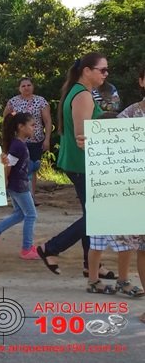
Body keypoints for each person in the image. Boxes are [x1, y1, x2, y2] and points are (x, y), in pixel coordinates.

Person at [37, 53, 116, 279]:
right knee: (97, 216)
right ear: (87, 71)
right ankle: (51, 248)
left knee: (90, 213)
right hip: (83, 164)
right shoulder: (83, 96)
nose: (106, 74)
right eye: (102, 70)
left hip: (80, 163)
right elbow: (84, 137)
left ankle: (90, 264)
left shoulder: (81, 93)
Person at [86, 66, 145, 297]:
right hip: (134, 195)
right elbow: (108, 151)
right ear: (141, 81)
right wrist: (89, 142)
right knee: (140, 248)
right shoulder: (128, 116)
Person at [0, 112, 40, 260]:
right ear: (21, 127)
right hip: (18, 185)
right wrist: (4, 182)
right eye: (32, 125)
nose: (34, 128)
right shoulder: (18, 145)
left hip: (17, 184)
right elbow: (7, 165)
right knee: (31, 214)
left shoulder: (18, 144)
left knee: (20, 214)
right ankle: (27, 249)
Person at [3, 77, 52, 199]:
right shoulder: (13, 102)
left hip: (36, 139)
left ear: (33, 86)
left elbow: (47, 121)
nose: (26, 88)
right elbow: (6, 119)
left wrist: (47, 139)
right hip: (18, 140)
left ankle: (31, 195)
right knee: (17, 167)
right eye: (23, 86)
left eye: (28, 85)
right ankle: (17, 193)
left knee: (32, 167)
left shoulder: (41, 101)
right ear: (19, 88)